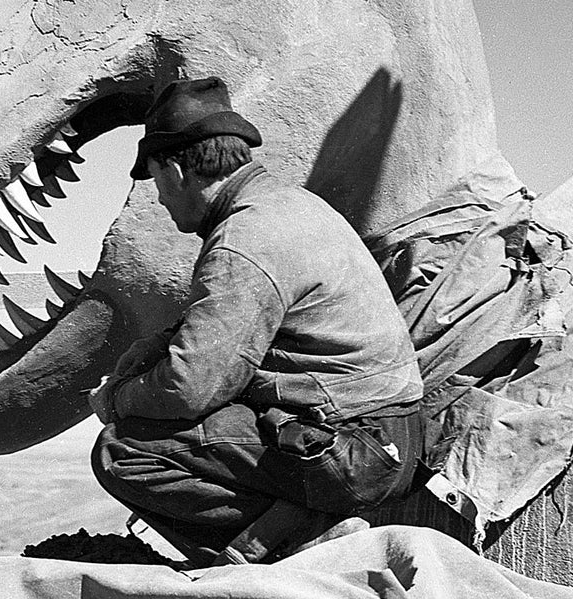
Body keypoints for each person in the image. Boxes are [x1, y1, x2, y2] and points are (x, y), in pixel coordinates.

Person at [89, 77, 428, 564]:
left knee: (122, 450)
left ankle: (290, 547)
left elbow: (191, 388)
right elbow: (239, 324)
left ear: (177, 169)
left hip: (352, 449)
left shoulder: (243, 240)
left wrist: (117, 398)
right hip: (383, 438)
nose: (160, 199)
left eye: (156, 180)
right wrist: (156, 347)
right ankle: (284, 532)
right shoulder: (287, 207)